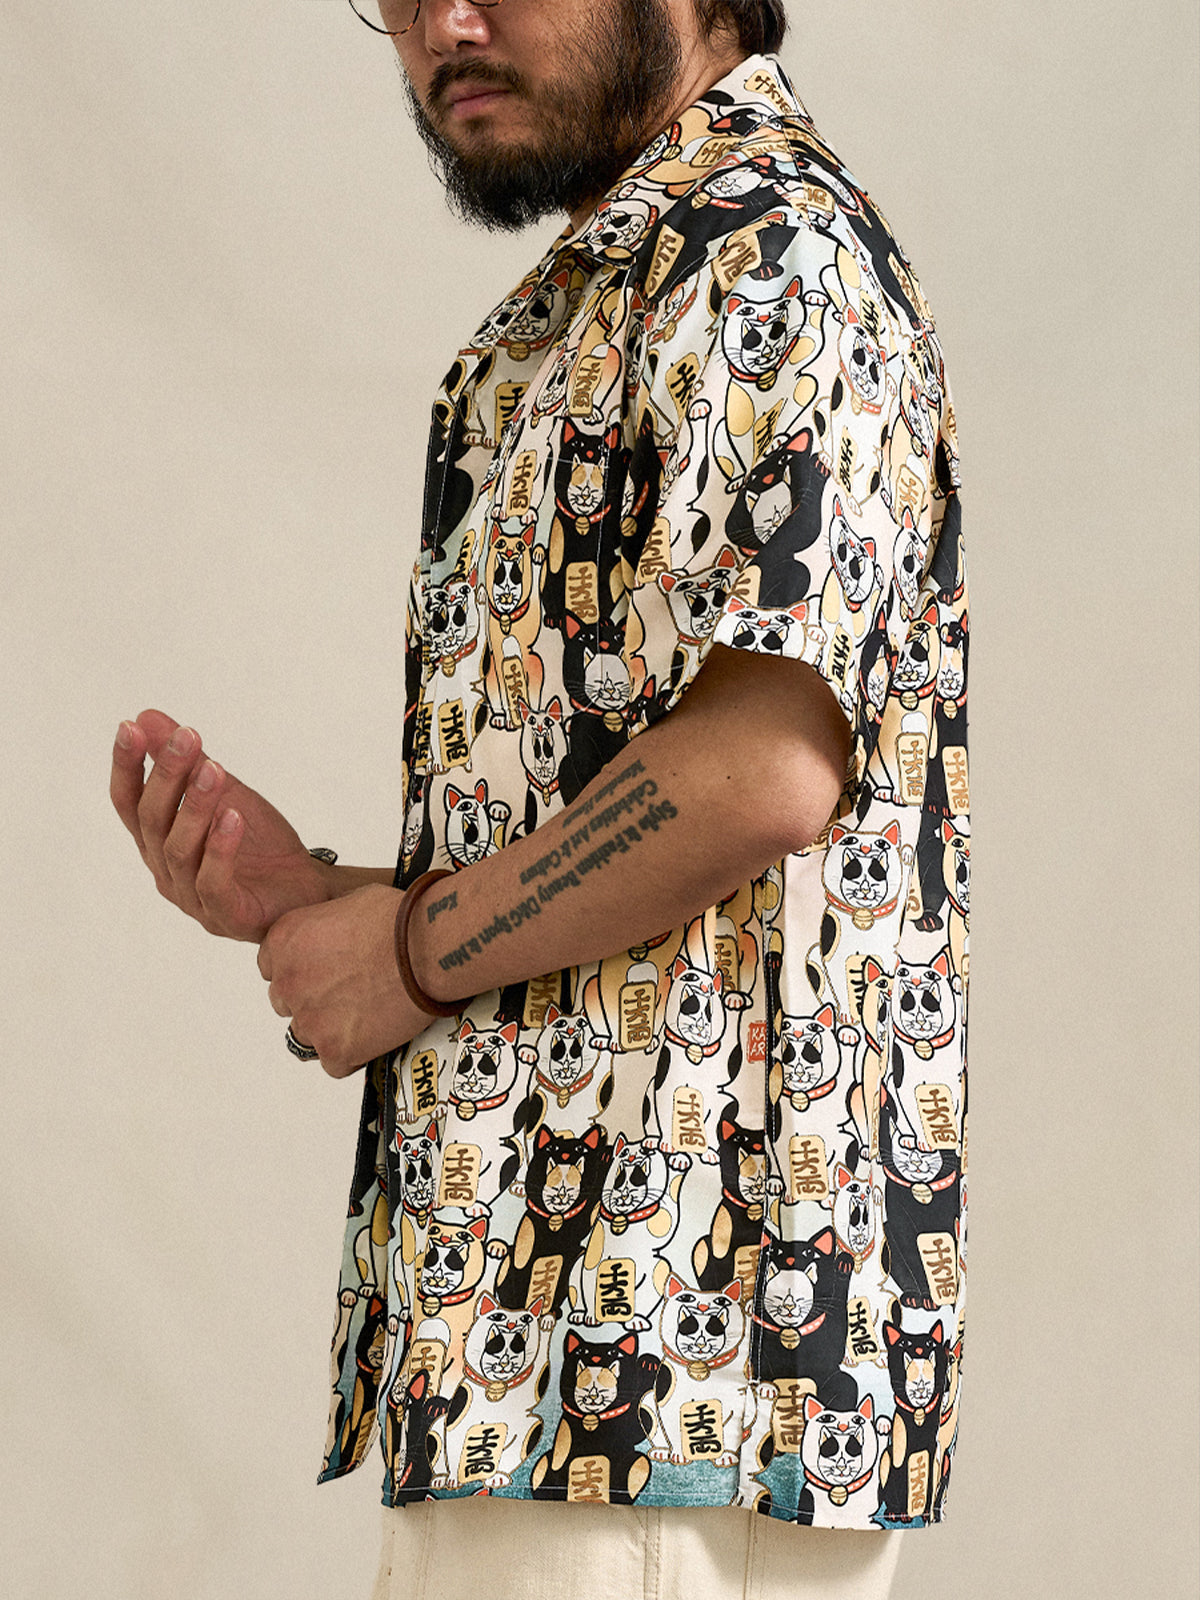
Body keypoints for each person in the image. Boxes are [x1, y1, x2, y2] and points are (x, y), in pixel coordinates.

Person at [110, 2, 969, 1595]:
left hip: (666, 1370)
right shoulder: (625, 281)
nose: (444, 23)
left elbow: (764, 767)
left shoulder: (769, 258)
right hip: (543, 1368)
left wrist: (411, 954)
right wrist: (333, 898)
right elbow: (644, 825)